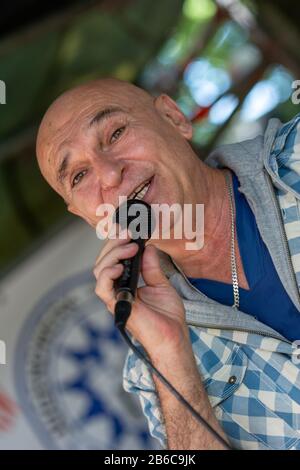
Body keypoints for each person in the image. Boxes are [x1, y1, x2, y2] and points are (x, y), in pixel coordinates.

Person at [36, 78, 300, 450]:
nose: (110, 176)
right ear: (85, 216)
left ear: (174, 118)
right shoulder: (155, 372)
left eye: (115, 134)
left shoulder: (294, 158)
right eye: (79, 176)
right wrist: (171, 352)